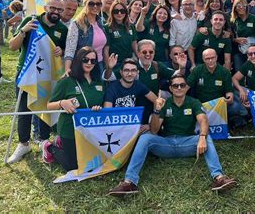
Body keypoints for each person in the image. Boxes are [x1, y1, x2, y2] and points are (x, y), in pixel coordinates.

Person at [108, 74, 236, 196]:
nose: (179, 88)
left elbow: (203, 120)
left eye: (182, 85)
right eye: (175, 86)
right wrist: (157, 110)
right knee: (145, 137)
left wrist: (202, 137)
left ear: (186, 87)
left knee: (206, 137)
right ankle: (129, 183)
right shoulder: (166, 103)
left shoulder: (194, 102)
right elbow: (154, 130)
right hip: (166, 144)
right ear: (170, 88)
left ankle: (219, 178)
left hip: (187, 143)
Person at [7, 0, 68, 163]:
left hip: (47, 76)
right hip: (26, 73)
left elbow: (64, 52)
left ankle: (43, 140)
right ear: (46, 7)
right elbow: (12, 46)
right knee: (23, 110)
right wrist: (24, 31)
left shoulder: (63, 29)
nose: (56, 12)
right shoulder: (31, 21)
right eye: (53, 8)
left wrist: (60, 51)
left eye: (59, 10)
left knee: (45, 108)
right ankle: (23, 143)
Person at [42, 47, 105, 169]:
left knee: (93, 162)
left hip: (90, 129)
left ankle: (61, 144)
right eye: (85, 59)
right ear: (78, 60)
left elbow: (102, 102)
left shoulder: (98, 81)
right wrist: (62, 103)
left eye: (93, 61)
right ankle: (50, 147)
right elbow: (49, 105)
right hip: (70, 129)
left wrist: (98, 108)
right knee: (73, 167)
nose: (89, 63)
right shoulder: (67, 80)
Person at [187, 48, 247, 126]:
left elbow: (229, 91)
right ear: (203, 59)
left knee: (235, 107)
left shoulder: (224, 72)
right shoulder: (197, 70)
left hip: (219, 106)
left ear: (216, 57)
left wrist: (229, 98)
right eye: (207, 59)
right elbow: (186, 87)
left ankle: (229, 120)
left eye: (212, 58)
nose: (210, 61)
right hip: (202, 105)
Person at [103, 58, 157, 125]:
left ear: (137, 72)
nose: (130, 74)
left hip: (134, 126)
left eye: (133, 70)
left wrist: (150, 124)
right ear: (121, 72)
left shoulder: (138, 85)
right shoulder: (112, 88)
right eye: (126, 70)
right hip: (116, 125)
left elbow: (157, 102)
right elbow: (106, 113)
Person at [64, 0, 106, 75]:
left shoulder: (101, 22)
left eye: (98, 4)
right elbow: (70, 49)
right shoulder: (76, 24)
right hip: (83, 66)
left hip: (100, 65)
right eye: (91, 3)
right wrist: (67, 69)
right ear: (85, 4)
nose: (95, 6)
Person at [103, 1, 138, 75]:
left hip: (129, 62)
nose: (119, 13)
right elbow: (106, 49)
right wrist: (108, 67)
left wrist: (139, 58)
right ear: (112, 12)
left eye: (122, 11)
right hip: (115, 64)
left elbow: (134, 43)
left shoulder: (131, 26)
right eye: (116, 11)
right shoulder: (107, 27)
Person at [230, 0, 255, 72]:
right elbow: (229, 36)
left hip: (253, 51)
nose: (242, 8)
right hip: (239, 51)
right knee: (239, 71)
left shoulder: (253, 19)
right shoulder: (232, 20)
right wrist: (235, 39)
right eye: (239, 6)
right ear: (235, 8)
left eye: (244, 5)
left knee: (252, 72)